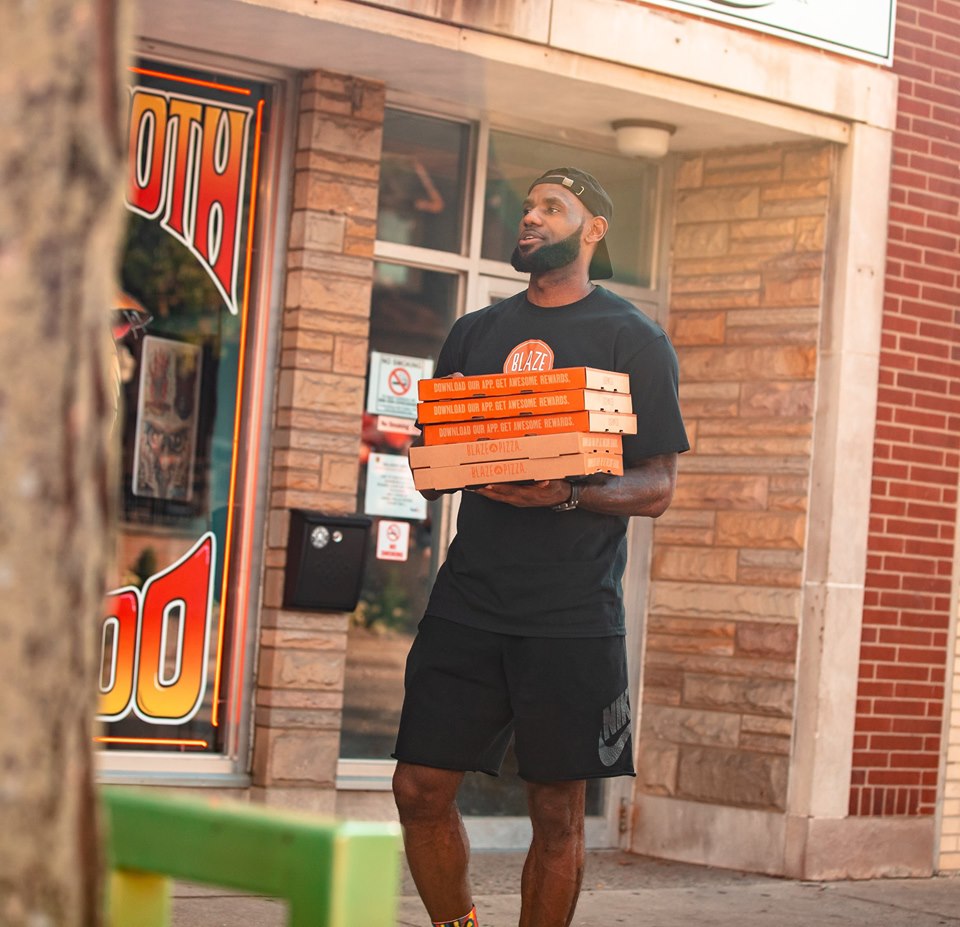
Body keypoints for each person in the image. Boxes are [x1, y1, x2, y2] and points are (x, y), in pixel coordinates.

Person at [393, 167, 689, 927]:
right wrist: (433, 464)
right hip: (469, 599)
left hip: (573, 611)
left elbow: (656, 485)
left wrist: (567, 492)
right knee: (419, 788)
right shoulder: (476, 332)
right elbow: (432, 460)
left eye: (551, 208)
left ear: (593, 231)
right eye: (527, 207)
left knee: (556, 812)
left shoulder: (632, 337)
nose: (530, 218)